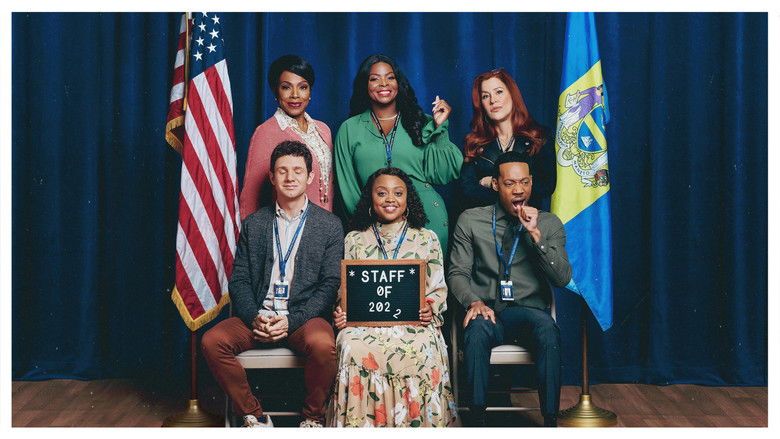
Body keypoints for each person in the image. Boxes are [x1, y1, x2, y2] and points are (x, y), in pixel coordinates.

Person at [202, 141, 344, 428]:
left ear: (310, 177)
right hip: (258, 315)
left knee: (324, 345)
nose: (290, 178)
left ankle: (312, 418)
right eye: (282, 171)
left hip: (302, 317)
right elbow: (239, 279)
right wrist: (255, 316)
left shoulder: (329, 225)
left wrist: (290, 322)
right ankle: (254, 416)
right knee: (212, 341)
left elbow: (330, 284)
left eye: (297, 171)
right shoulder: (255, 224)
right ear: (271, 177)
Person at [447, 151, 572, 427]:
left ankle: (550, 420)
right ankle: (477, 420)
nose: (519, 190)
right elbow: (457, 273)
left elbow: (562, 278)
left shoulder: (549, 223)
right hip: (488, 310)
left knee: (547, 328)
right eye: (510, 183)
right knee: (477, 329)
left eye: (524, 183)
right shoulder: (471, 220)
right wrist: (473, 302)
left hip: (528, 312)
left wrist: (535, 235)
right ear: (495, 185)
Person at [327, 167, 458, 427]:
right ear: (370, 199)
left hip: (414, 322)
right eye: (382, 193)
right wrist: (341, 310)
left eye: (398, 193)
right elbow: (346, 290)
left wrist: (430, 308)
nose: (390, 199)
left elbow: (438, 287)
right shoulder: (354, 239)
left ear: (408, 199)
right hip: (365, 324)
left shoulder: (426, 238)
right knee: (351, 345)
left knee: (424, 350)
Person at [334, 54, 463, 251]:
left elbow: (445, 174)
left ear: (398, 82)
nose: (383, 83)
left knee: (428, 282)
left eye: (390, 77)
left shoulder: (422, 122)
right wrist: (366, 228)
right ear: (365, 85)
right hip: (372, 228)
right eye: (374, 78)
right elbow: (348, 188)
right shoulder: (349, 129)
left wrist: (441, 129)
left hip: (426, 222)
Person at [239, 54, 334, 219]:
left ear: (310, 91)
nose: (295, 95)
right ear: (276, 91)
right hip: (286, 227)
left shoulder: (323, 130)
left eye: (303, 87)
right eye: (286, 87)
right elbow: (251, 197)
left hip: (325, 226)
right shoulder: (266, 132)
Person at [458, 69, 556, 212]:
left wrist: (493, 183)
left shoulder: (539, 137)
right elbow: (467, 190)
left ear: (512, 95)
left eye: (499, 92)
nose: (493, 100)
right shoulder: (474, 143)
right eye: (485, 96)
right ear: (481, 105)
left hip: (529, 224)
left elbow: (546, 187)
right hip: (486, 225)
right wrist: (518, 185)